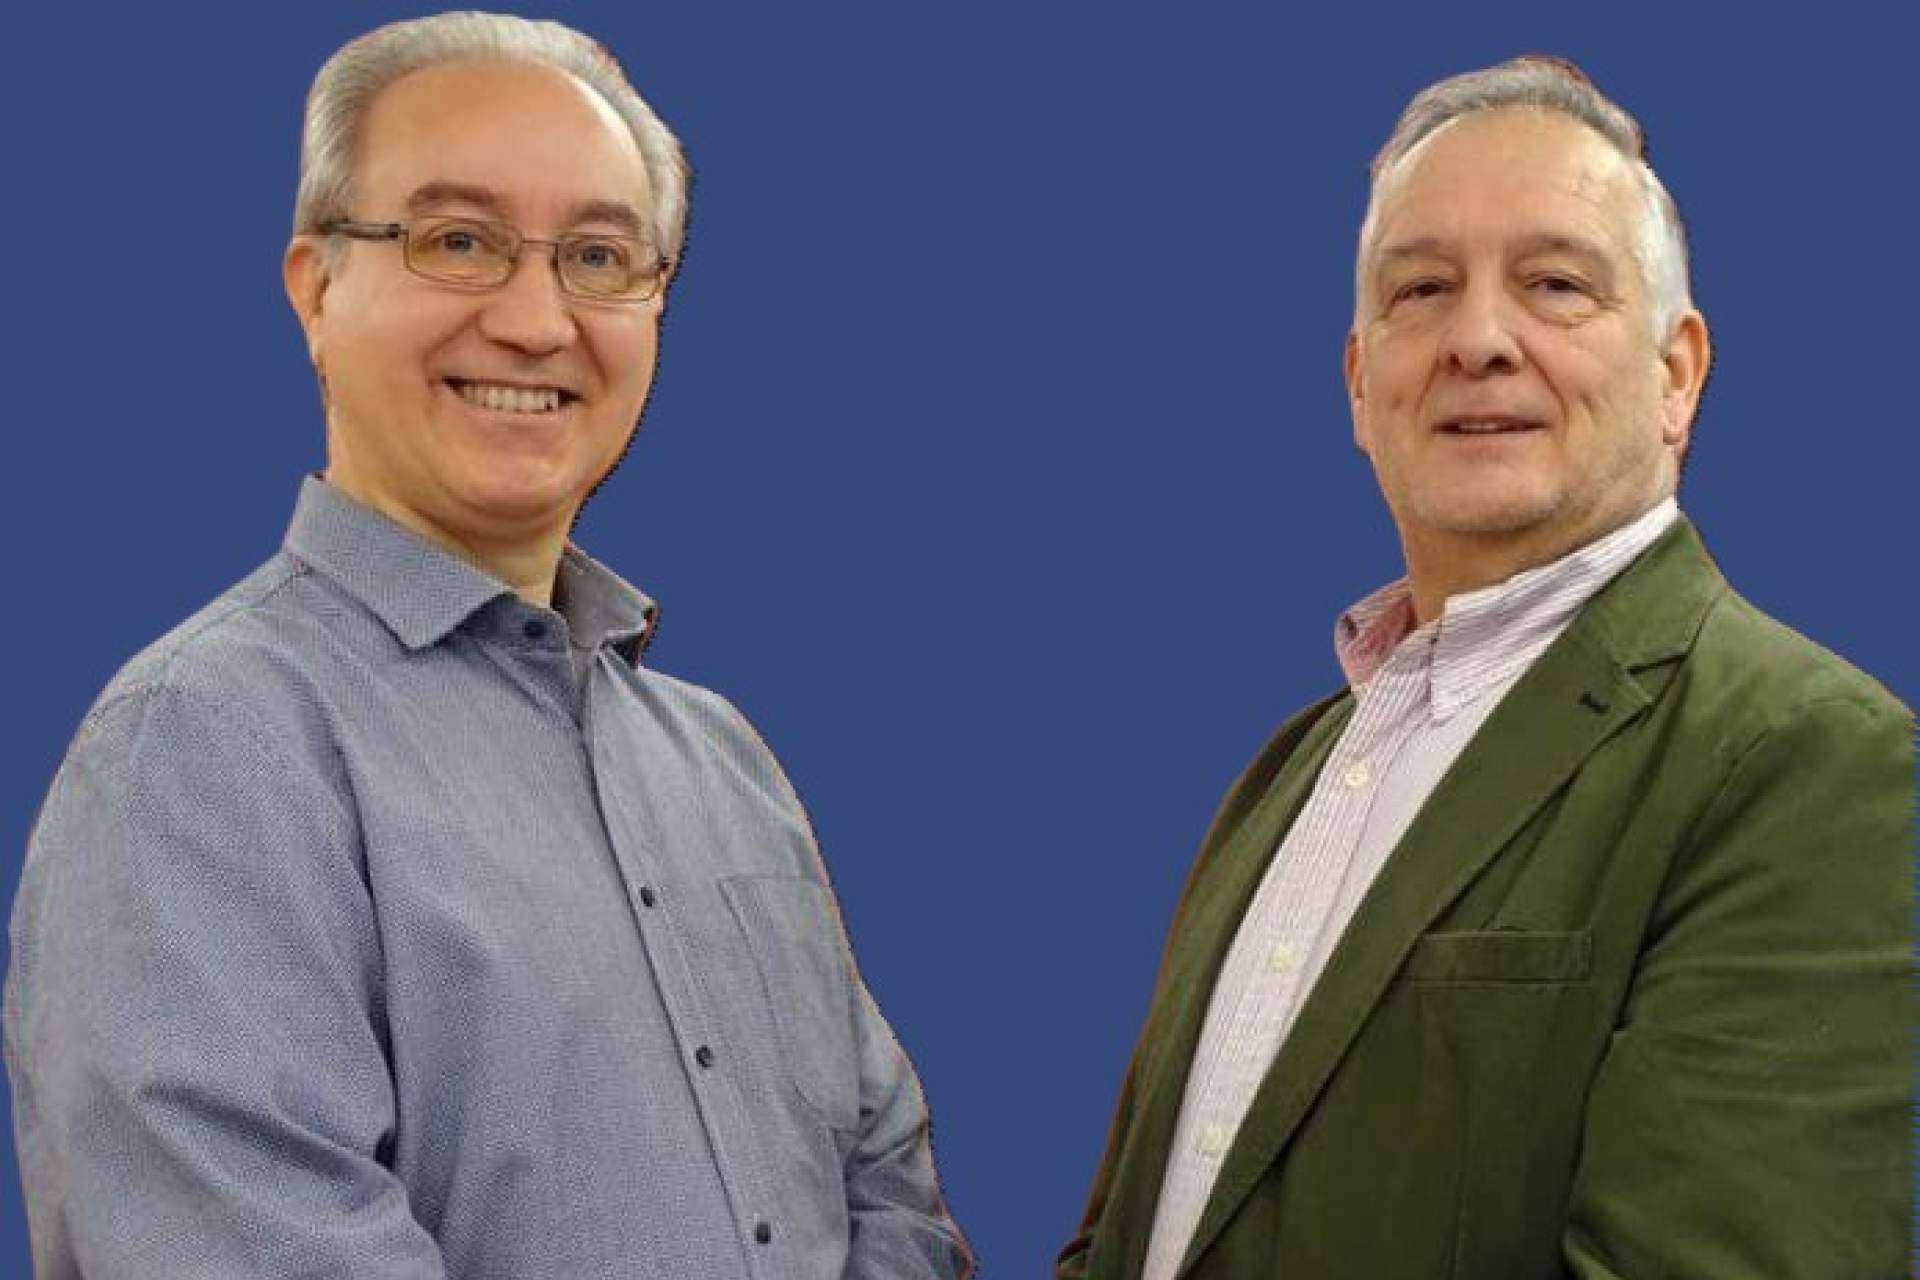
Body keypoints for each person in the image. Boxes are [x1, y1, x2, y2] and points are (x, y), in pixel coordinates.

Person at [4, 13, 971, 1279]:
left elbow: (889, 1189)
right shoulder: (204, 746)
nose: (535, 320)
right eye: (459, 241)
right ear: (316, 287)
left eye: (600, 256)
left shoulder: (725, 761)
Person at [1057, 55, 1911, 1280]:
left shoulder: (1811, 762)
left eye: (1556, 284)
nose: (1478, 339)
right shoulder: (1288, 772)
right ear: (1362, 383)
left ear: (1676, 373)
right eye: (1422, 290)